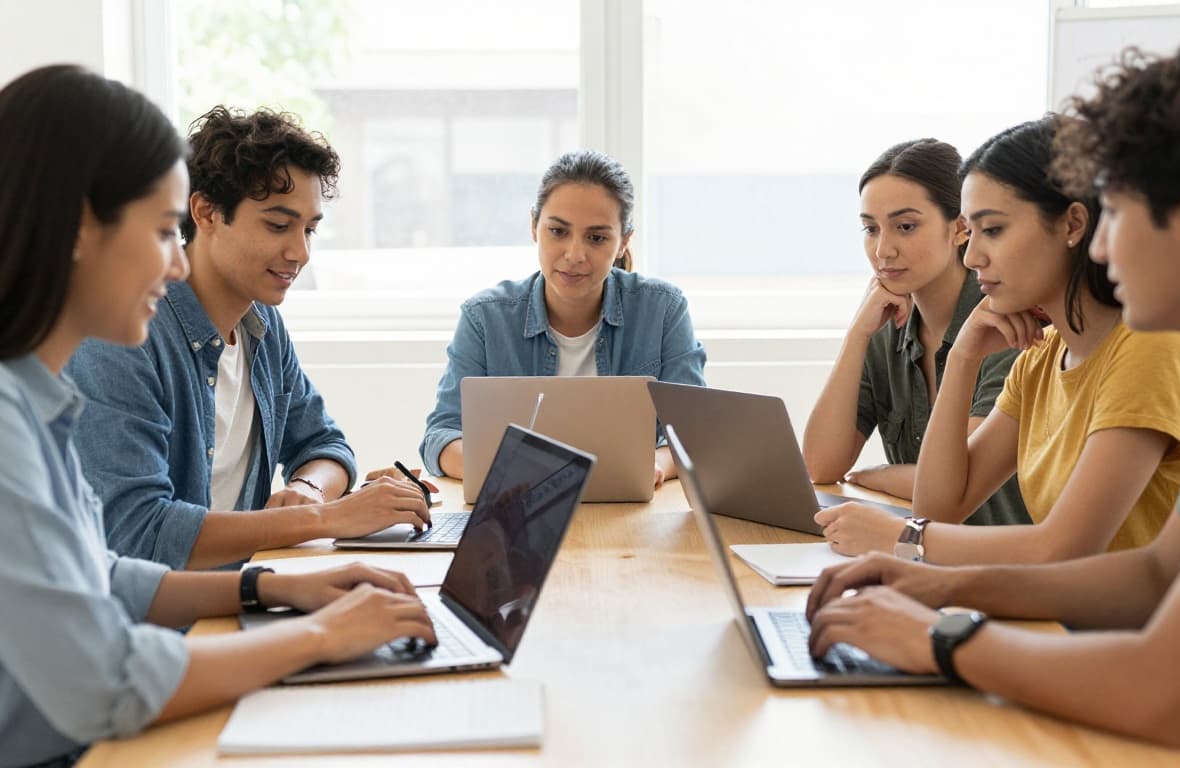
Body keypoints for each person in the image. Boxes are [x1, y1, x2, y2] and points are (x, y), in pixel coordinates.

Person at [807, 37, 1180, 765]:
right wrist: (933, 584)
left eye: (1115, 214)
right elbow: (1156, 573)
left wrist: (944, 638)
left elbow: (1171, 692)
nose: (1099, 250)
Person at [0, 65, 436, 768]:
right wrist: (320, 634)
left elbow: (102, 575)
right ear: (82, 225)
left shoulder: (34, 397)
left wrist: (273, 584)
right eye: (165, 232)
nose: (176, 266)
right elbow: (106, 682)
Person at [818, 115, 1180, 562]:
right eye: (973, 230)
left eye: (994, 230)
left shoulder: (1151, 347)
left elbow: (1065, 547)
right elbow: (940, 509)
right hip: (1060, 617)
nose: (971, 254)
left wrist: (899, 539)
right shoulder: (1043, 356)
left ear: (1072, 224)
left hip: (1123, 627)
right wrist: (964, 355)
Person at [66, 106, 430, 570]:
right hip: (160, 622)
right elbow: (138, 532)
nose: (300, 252)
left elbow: (324, 443)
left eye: (310, 229)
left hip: (237, 591)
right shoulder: (123, 336)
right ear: (206, 212)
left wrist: (307, 490)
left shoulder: (261, 324)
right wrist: (324, 518)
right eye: (278, 225)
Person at [420, 150, 707, 484]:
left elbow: (691, 435)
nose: (574, 255)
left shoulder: (663, 310)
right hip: (518, 506)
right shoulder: (484, 318)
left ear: (624, 241)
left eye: (597, 238)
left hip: (633, 506)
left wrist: (654, 465)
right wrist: (515, 471)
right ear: (534, 226)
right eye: (558, 231)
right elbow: (442, 435)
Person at [802, 139, 1030, 549]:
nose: (882, 250)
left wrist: (882, 476)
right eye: (871, 229)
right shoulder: (887, 327)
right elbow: (820, 464)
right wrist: (857, 335)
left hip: (992, 564)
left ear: (960, 228)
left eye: (905, 227)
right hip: (918, 556)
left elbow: (958, 481)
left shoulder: (1004, 327)